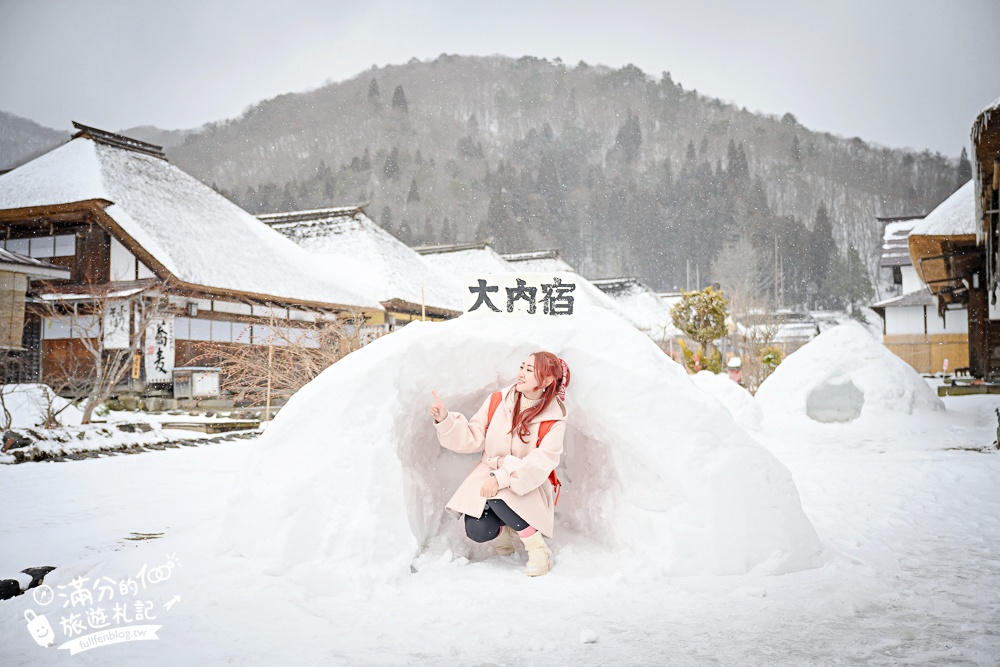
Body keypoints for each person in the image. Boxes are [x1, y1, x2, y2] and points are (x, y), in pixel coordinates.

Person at [429, 352, 570, 577]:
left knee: (499, 494)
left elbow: (541, 462)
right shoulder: (498, 401)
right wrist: (445, 420)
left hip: (526, 484)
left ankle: (538, 549)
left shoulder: (553, 419)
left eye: (529, 370)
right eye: (522, 367)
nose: (521, 373)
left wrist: (501, 478)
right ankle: (504, 530)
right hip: (489, 476)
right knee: (477, 531)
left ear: (546, 380)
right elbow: (473, 436)